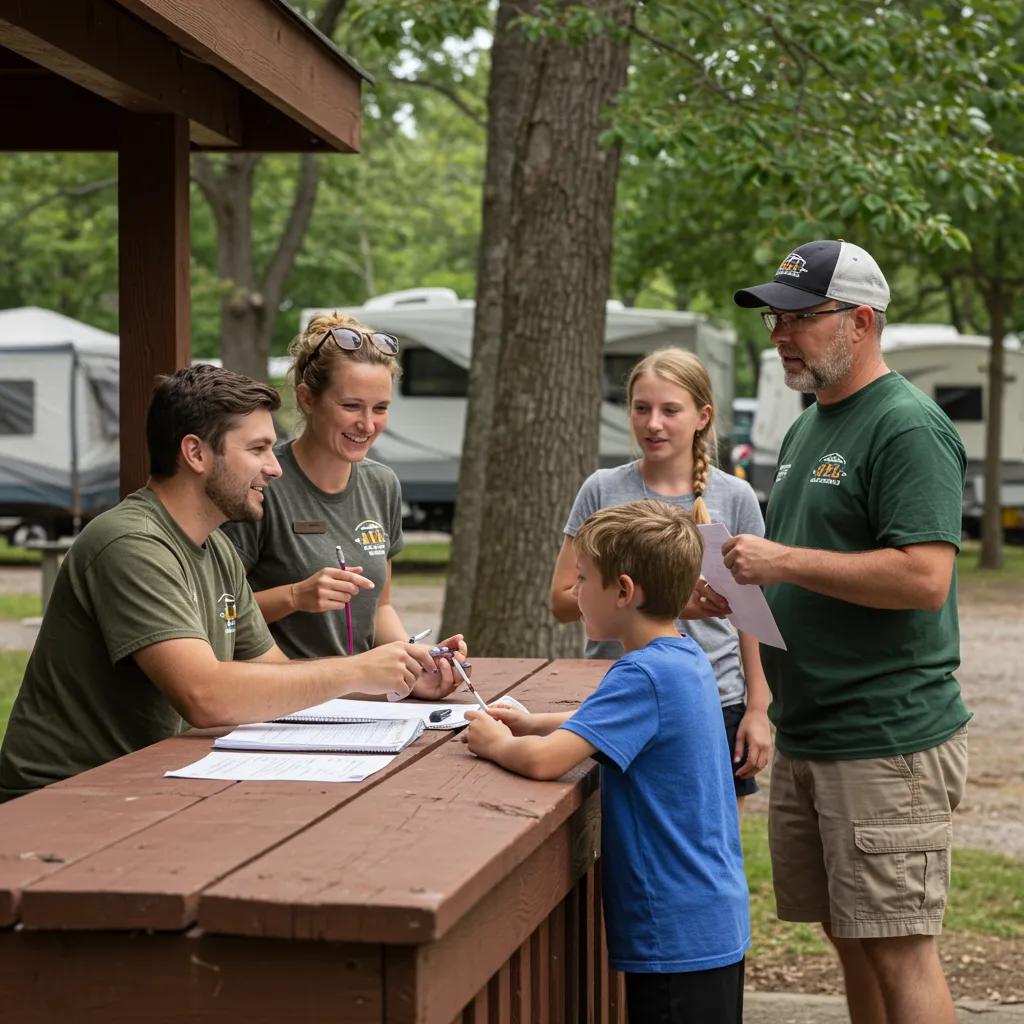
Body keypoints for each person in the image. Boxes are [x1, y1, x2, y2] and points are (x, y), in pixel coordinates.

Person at [726, 239, 971, 1024]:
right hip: (812, 732)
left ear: (861, 321)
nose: (781, 335)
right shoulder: (806, 431)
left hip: (884, 738)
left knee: (899, 946)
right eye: (775, 319)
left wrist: (785, 562)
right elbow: (793, 571)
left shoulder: (906, 426)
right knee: (848, 933)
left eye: (800, 318)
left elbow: (924, 577)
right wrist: (731, 591)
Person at [0, 364, 441, 802]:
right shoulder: (130, 543)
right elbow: (206, 696)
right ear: (195, 454)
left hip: (145, 783)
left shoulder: (216, 548)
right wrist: (359, 669)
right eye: (258, 449)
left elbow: (273, 673)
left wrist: (394, 675)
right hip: (60, 796)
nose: (275, 468)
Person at [467, 500, 749, 1024]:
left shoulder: (640, 675)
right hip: (708, 918)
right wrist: (534, 721)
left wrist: (494, 741)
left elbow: (548, 763)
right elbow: (607, 719)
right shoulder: (681, 657)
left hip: (673, 929)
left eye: (582, 580)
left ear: (623, 590)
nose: (572, 593)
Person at [549, 347, 772, 807]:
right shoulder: (602, 489)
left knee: (707, 837)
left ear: (702, 416)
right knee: (616, 836)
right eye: (641, 408)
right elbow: (562, 600)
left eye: (670, 410)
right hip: (614, 693)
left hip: (715, 700)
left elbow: (753, 617)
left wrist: (757, 707)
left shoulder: (737, 497)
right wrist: (670, 603)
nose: (653, 424)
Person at [221, 313, 465, 696]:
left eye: (380, 408)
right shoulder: (262, 482)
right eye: (352, 406)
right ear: (307, 399)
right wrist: (295, 597)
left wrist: (418, 664)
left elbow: (380, 608)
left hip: (364, 707)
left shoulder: (381, 483)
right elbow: (221, 614)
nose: (367, 425)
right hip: (279, 704)